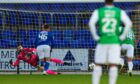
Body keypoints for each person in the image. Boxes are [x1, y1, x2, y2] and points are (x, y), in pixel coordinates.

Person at [89, 0, 132, 84]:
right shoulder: (119, 11)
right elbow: (129, 23)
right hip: (114, 42)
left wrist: (95, 36)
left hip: (102, 41)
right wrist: (122, 36)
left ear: (104, 1)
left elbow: (91, 23)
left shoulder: (98, 11)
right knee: (113, 65)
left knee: (98, 64)